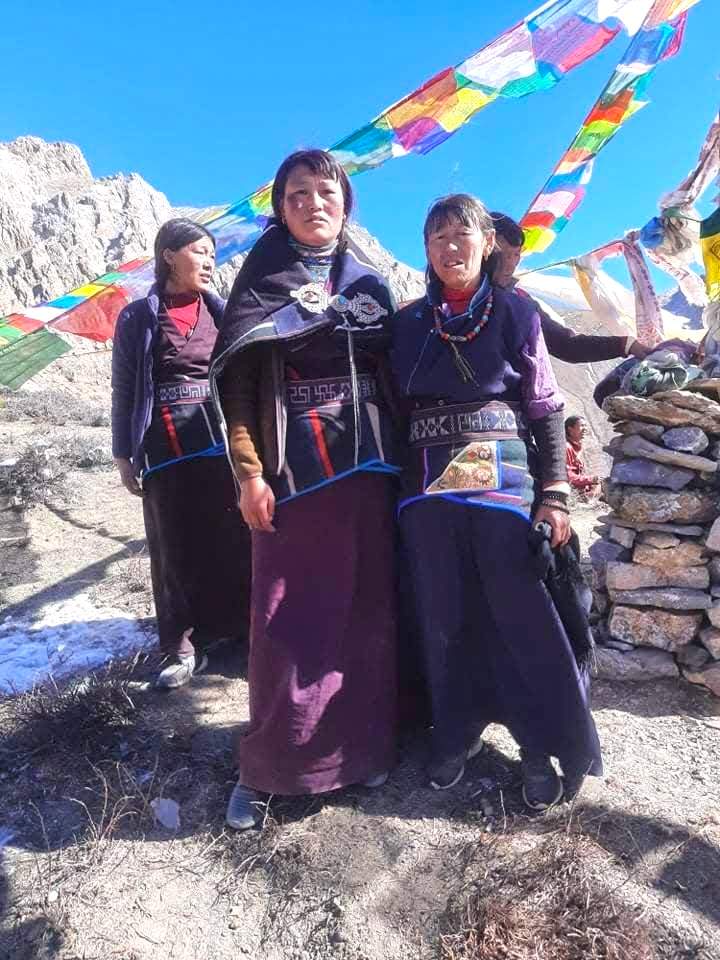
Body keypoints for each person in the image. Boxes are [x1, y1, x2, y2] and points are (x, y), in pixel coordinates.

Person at [210, 149, 402, 830]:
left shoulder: (374, 287)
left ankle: (360, 750)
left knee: (365, 617)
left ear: (346, 202)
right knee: (283, 622)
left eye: (326, 191)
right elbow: (234, 385)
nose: (314, 202)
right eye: (298, 193)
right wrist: (250, 472)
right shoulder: (262, 282)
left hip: (370, 477)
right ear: (280, 207)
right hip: (293, 481)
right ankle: (270, 769)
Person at [392, 194, 602, 810]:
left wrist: (555, 496)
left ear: (487, 243)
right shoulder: (404, 325)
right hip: (427, 492)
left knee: (520, 616)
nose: (450, 247)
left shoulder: (514, 313)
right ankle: (454, 730)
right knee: (444, 617)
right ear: (425, 252)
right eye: (437, 238)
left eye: (463, 233)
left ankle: (537, 743)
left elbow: (543, 406)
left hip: (505, 485)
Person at [111, 218, 251, 689]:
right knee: (172, 546)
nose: (210, 261)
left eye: (213, 254)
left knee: (230, 537)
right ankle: (179, 647)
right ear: (169, 255)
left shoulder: (222, 315)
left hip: (216, 442)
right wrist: (123, 454)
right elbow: (125, 389)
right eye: (199, 251)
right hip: (163, 444)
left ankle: (235, 637)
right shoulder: (137, 318)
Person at [490, 212, 651, 364]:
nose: (509, 265)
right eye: (502, 254)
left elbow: (565, 344)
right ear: (483, 249)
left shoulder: (522, 302)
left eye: (515, 255)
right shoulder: (470, 299)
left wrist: (625, 345)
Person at [565, 415, 600, 497]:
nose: (585, 429)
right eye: (581, 426)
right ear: (570, 429)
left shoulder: (576, 446)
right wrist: (591, 479)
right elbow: (567, 476)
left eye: (585, 426)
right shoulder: (566, 447)